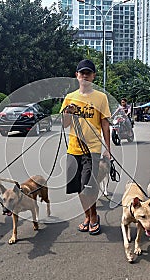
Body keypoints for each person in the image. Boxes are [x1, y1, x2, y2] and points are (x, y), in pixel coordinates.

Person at [60, 59, 111, 235]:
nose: (85, 76)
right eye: (82, 73)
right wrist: (68, 112)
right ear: (77, 76)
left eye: (88, 73)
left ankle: (94, 216)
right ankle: (87, 216)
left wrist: (108, 149)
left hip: (93, 150)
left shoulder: (101, 97)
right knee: (78, 188)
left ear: (93, 76)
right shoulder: (70, 97)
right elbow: (65, 124)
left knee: (89, 186)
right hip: (73, 149)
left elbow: (105, 124)